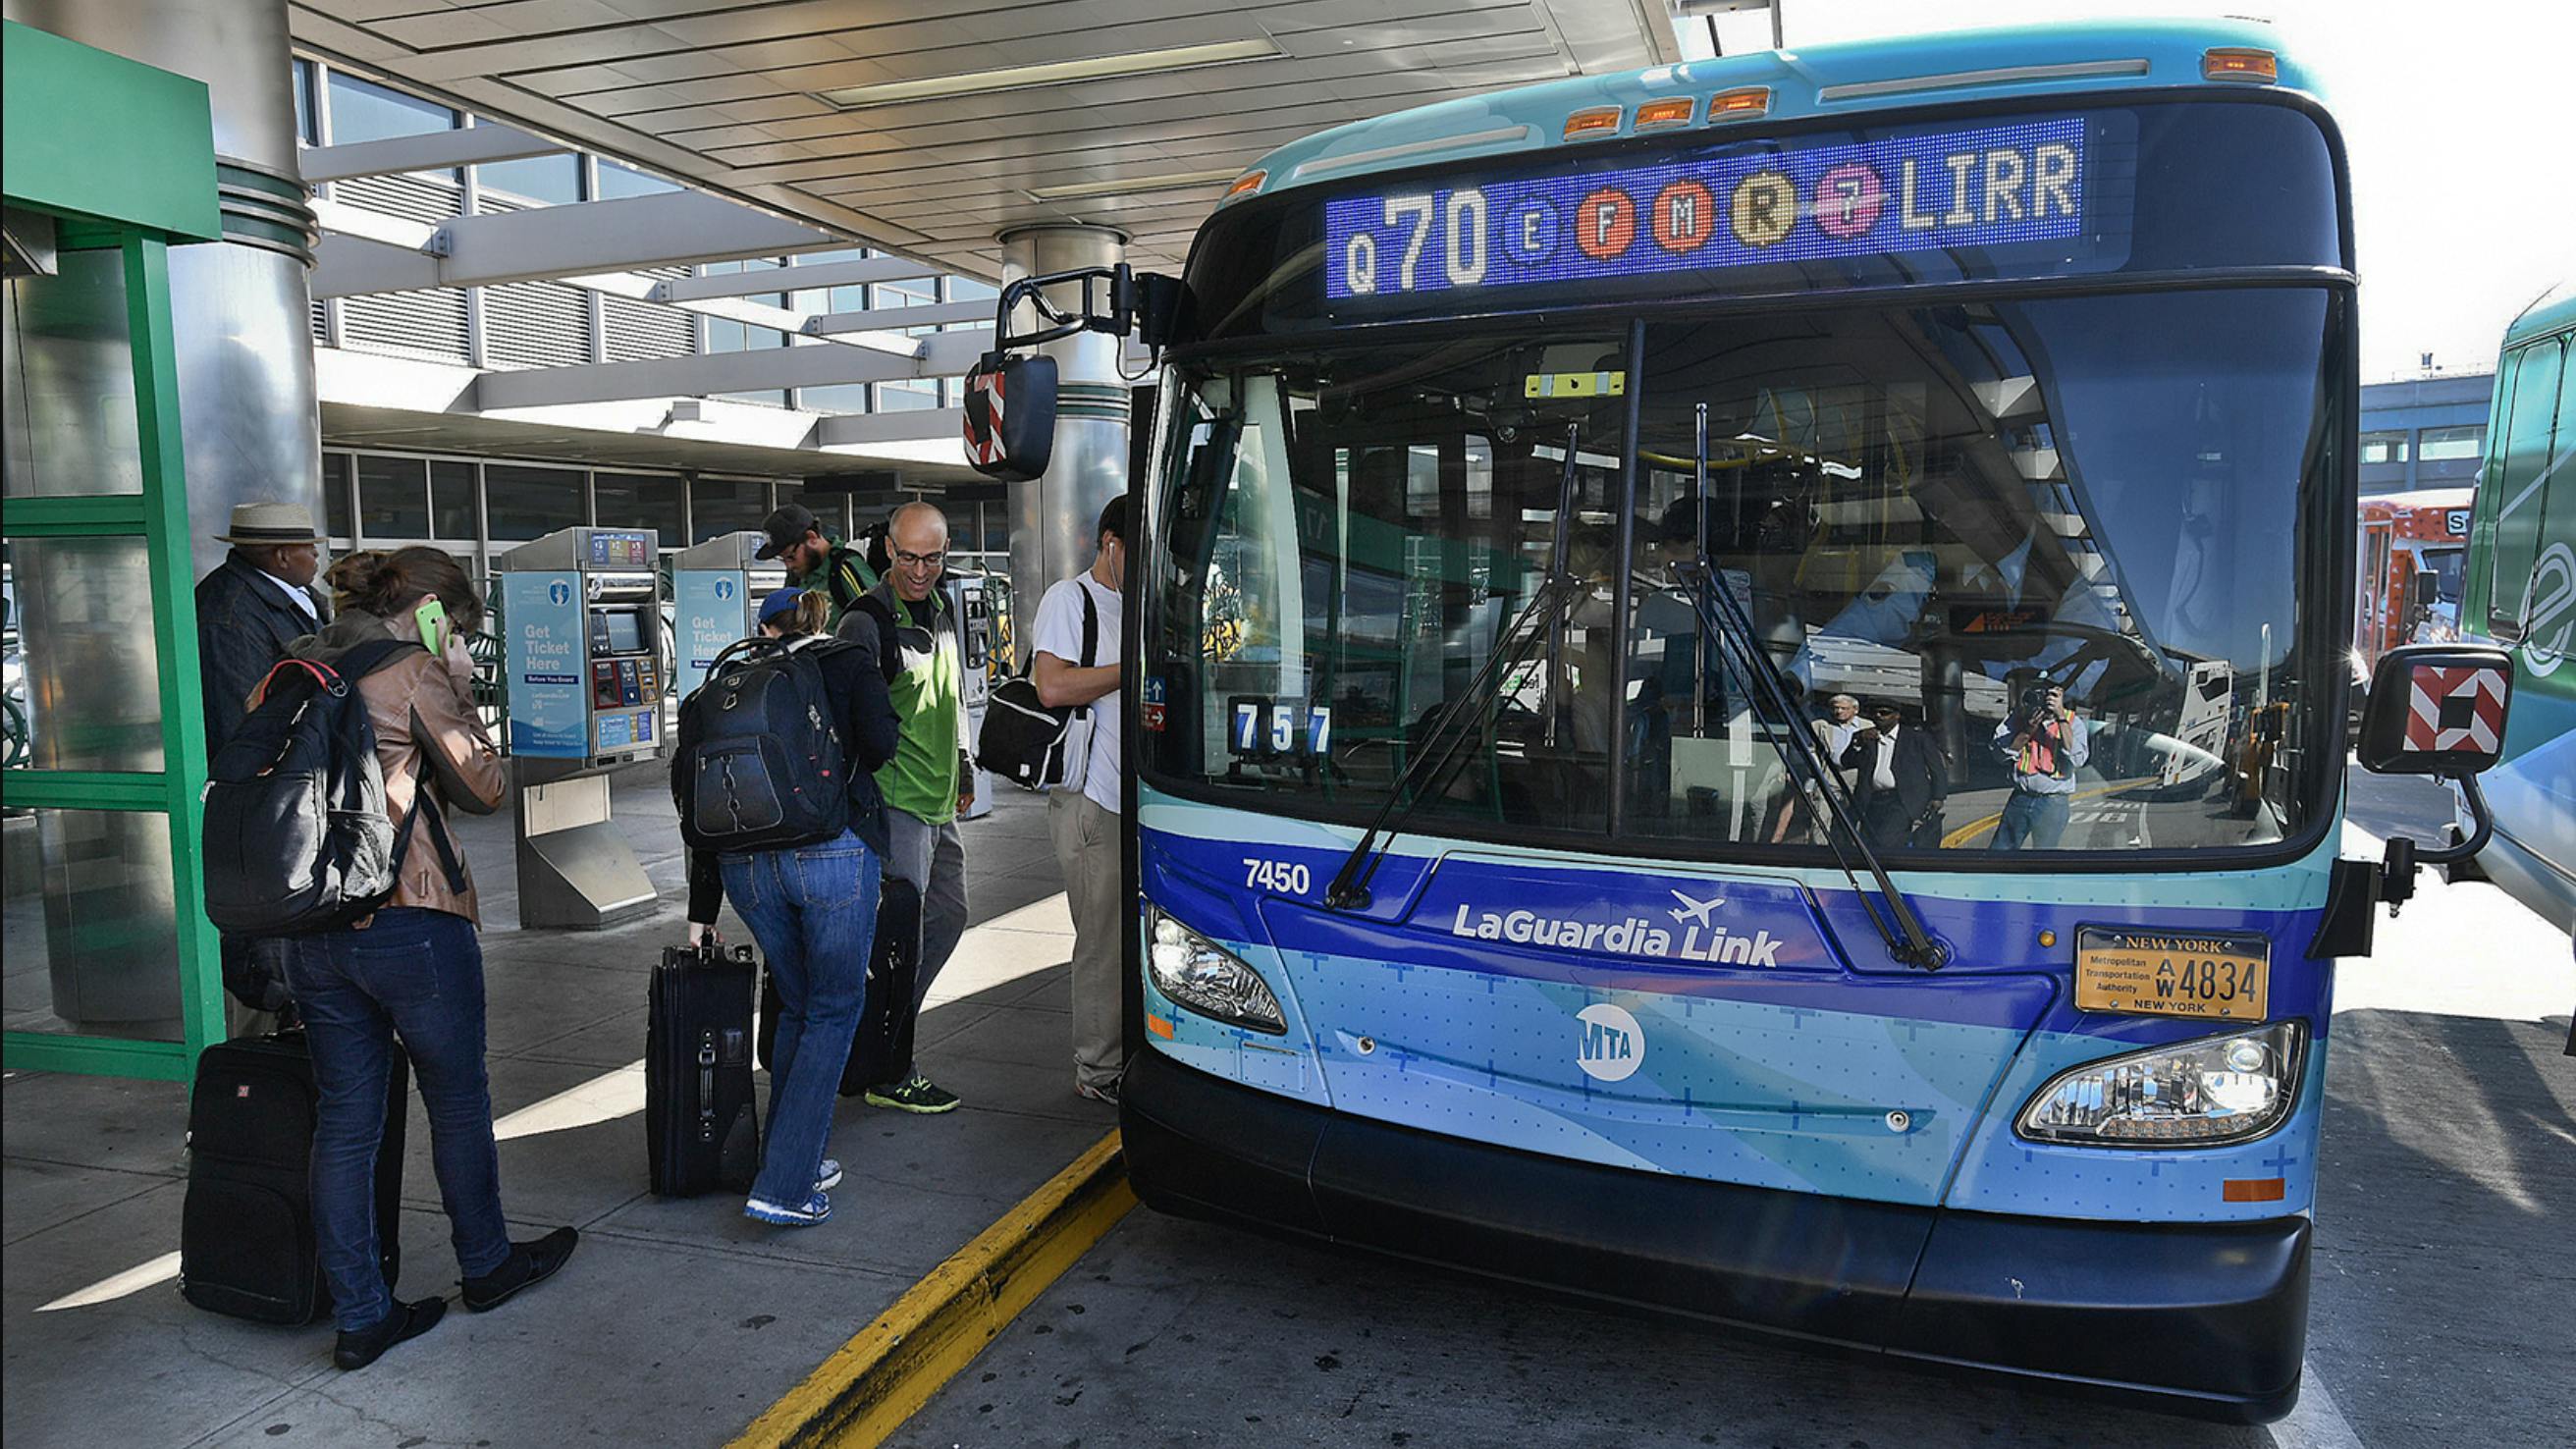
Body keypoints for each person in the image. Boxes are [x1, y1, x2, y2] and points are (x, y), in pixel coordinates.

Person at [275, 547, 576, 1370]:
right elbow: (484, 787)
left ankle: (364, 1316)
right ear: (433, 611)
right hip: (411, 918)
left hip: (311, 927)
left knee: (346, 1121)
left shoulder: (295, 664)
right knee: (456, 1098)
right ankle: (486, 1265)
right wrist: (460, 684)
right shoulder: (410, 668)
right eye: (461, 626)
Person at [678, 587, 900, 1226]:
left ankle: (790, 1154)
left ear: (763, 628)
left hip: (744, 870)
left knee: (802, 1007)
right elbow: (881, 745)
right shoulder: (846, 661)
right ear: (818, 617)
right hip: (831, 856)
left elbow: (691, 803)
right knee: (834, 1010)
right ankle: (785, 1187)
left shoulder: (718, 691)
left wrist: (702, 909)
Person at [842, 502, 973, 1114]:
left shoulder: (944, 610)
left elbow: (954, 695)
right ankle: (891, 1065)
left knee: (948, 917)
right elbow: (850, 721)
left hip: (940, 800)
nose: (921, 570)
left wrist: (964, 762)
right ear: (888, 551)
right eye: (909, 557)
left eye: (934, 558)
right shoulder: (865, 621)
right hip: (897, 805)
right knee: (900, 944)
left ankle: (878, 1038)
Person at [195, 501, 334, 1030]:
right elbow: (245, 723)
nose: (315, 559)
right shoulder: (229, 611)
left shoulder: (292, 599)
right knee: (263, 945)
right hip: (267, 798)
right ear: (281, 555)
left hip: (294, 789)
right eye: (308, 549)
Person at [1032, 498, 1128, 1103]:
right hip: (1092, 797)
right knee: (1100, 940)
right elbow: (1052, 685)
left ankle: (1120, 1053)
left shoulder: (1135, 602)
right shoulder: (1071, 600)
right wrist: (1132, 667)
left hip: (1131, 798)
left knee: (1123, 936)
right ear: (1109, 541)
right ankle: (1098, 1070)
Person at [1990, 678, 2089, 850]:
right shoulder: (2017, 718)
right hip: (2021, 797)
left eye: (2047, 695)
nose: (2041, 700)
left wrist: (2060, 718)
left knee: (2044, 855)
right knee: (2000, 852)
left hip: (2053, 802)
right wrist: (2026, 731)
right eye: (2035, 695)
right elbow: (1999, 755)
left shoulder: (2073, 722)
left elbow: (2078, 759)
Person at [755, 504, 879, 632]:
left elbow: (877, 619)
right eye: (782, 559)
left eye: (791, 556)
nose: (788, 565)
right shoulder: (797, 576)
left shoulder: (844, 569)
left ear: (812, 538)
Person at [1843, 699, 1949, 849]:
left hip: (1903, 799)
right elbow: (1846, 761)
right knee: (1870, 841)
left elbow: (1936, 768)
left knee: (1886, 841)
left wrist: (1938, 797)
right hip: (1873, 800)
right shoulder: (1866, 737)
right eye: (1875, 713)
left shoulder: (1916, 738)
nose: (1879, 716)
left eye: (1884, 713)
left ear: (1896, 716)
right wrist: (1858, 742)